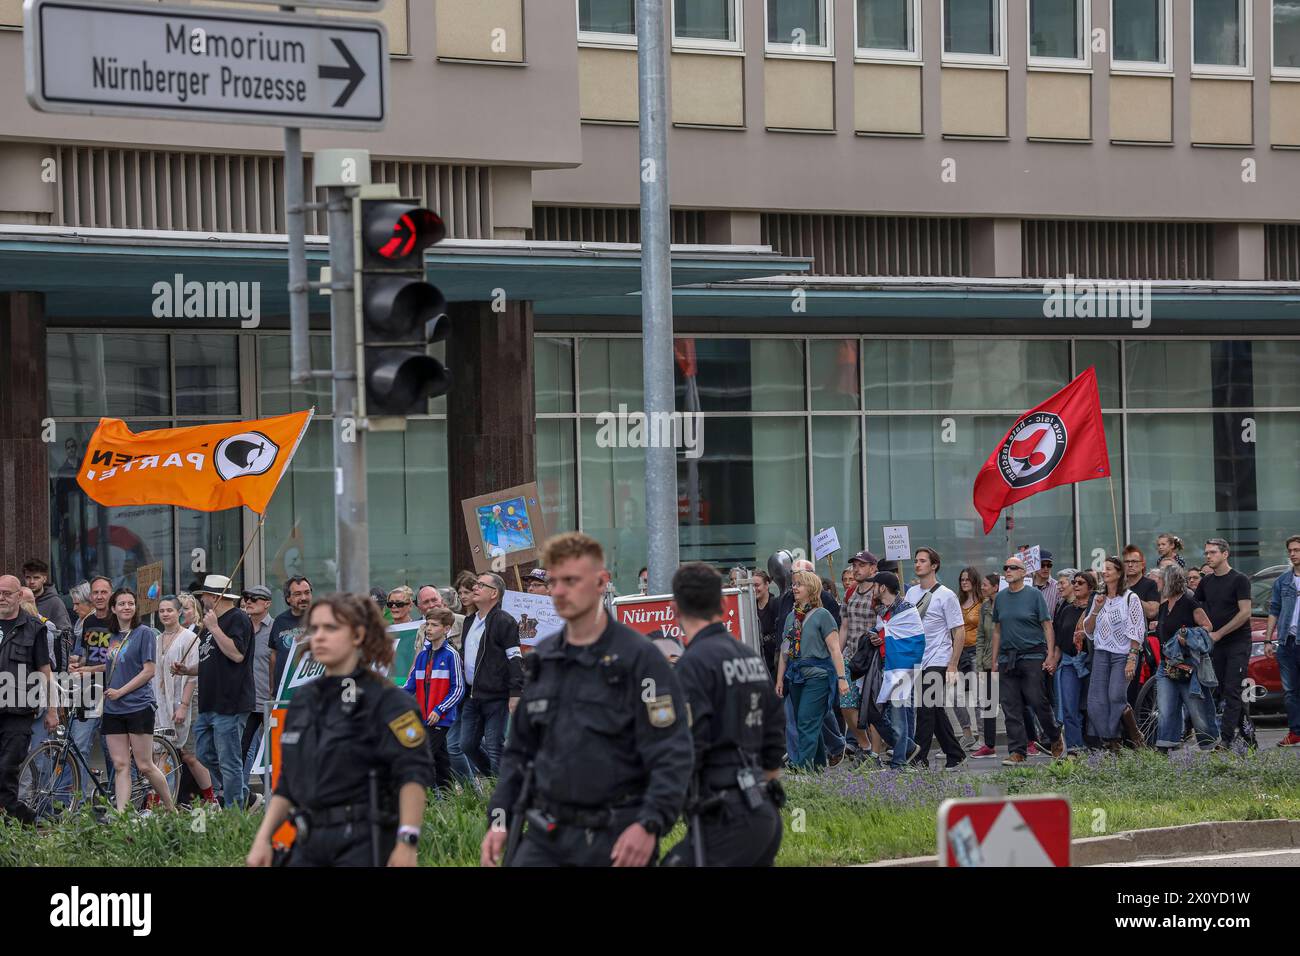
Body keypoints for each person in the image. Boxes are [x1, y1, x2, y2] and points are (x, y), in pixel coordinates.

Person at [480, 532, 693, 867]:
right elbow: (518, 754)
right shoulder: (543, 659)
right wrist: (498, 821)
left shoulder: (640, 659)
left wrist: (649, 824)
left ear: (601, 582)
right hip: (545, 835)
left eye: (571, 580)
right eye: (554, 581)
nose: (559, 591)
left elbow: (672, 751)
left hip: (615, 838)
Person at [247, 593, 433, 867]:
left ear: (357, 635)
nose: (319, 636)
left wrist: (407, 843)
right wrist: (263, 838)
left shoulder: (390, 702)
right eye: (316, 628)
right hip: (307, 840)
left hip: (365, 840)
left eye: (331, 628)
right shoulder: (303, 699)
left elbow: (413, 776)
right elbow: (288, 781)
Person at [661, 563, 784, 867]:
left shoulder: (693, 665)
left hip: (724, 814)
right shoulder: (749, 657)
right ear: (723, 603)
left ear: (675, 609)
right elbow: (775, 734)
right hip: (763, 810)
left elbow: (689, 747)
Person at [184, 574, 254, 809]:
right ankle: (245, 797)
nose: (202, 599)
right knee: (203, 753)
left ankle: (235, 813)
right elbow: (210, 662)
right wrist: (187, 669)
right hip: (208, 703)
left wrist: (214, 628)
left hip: (230, 703)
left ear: (214, 597)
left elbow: (236, 654)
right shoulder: (209, 624)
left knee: (229, 761)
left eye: (204, 595)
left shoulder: (238, 618)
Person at [101, 588, 174, 813]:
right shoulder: (112, 636)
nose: (126, 607)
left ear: (135, 607)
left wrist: (120, 691)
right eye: (121, 604)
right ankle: (122, 815)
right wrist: (85, 668)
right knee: (121, 764)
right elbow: (117, 665)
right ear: (113, 608)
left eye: (130, 603)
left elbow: (148, 671)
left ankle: (171, 809)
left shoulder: (144, 633)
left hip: (138, 705)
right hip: (113, 708)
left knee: (144, 765)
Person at [992, 556, 1065, 765]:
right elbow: (997, 630)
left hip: (1032, 654)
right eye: (1006, 567)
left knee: (1036, 700)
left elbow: (1047, 626)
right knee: (1010, 705)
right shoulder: (1001, 597)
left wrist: (1050, 655)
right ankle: (1017, 751)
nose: (1008, 570)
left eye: (1013, 567)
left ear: (1024, 573)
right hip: (1008, 657)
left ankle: (1054, 736)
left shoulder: (1034, 595)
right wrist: (995, 659)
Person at [775, 570, 848, 770]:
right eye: (794, 584)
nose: (794, 588)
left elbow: (835, 649)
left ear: (812, 588)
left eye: (799, 584)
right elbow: (784, 651)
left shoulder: (823, 615)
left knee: (807, 721)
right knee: (803, 722)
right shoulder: (791, 617)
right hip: (795, 676)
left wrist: (841, 678)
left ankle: (802, 766)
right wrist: (780, 679)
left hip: (818, 676)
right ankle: (816, 766)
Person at [0, 575, 58, 823]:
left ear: (19, 596)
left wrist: (53, 709)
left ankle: (25, 821)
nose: (2, 598)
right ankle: (18, 823)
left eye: (7, 593)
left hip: (18, 712)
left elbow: (46, 672)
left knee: (6, 772)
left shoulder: (34, 628)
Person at [905, 548, 966, 770]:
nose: (917, 564)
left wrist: (952, 664)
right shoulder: (910, 594)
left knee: (925, 708)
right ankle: (955, 754)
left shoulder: (946, 595)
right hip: (918, 660)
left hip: (939, 659)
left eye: (923, 561)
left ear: (934, 566)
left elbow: (959, 631)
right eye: (916, 561)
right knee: (935, 710)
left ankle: (918, 758)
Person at [459, 571, 523, 776]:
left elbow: (515, 659)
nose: (474, 588)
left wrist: (515, 693)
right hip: (472, 695)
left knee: (495, 745)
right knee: (467, 745)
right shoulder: (470, 621)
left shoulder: (505, 621)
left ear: (494, 593)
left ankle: (502, 792)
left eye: (480, 585)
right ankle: (496, 779)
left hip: (496, 696)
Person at [152, 595, 214, 805]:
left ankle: (211, 799)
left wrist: (183, 706)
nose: (165, 614)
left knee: (189, 755)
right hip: (162, 704)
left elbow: (192, 676)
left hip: (186, 702)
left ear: (179, 612)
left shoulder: (189, 638)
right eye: (162, 611)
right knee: (160, 753)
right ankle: (157, 804)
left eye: (170, 610)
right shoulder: (157, 639)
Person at [1194, 538, 1255, 751]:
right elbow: (1196, 607)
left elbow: (1245, 612)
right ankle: (1250, 737)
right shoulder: (1206, 582)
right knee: (1222, 690)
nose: (1208, 556)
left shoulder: (1239, 580)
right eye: (1206, 553)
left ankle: (1227, 740)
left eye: (1212, 552)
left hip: (1237, 642)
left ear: (1225, 554)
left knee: (1232, 689)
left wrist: (1219, 633)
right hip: (1215, 643)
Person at [1083, 556, 1147, 752]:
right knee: (1095, 701)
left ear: (1119, 573)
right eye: (1104, 568)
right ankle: (1112, 741)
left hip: (1123, 654)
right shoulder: (1098, 597)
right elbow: (1089, 630)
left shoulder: (1130, 597)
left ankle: (1135, 735)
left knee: (1116, 696)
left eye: (1109, 569)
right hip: (1101, 653)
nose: (1105, 572)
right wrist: (1096, 609)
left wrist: (1132, 658)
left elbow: (1137, 629)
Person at [1153, 564, 1220, 753]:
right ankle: (1165, 745)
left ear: (1169, 581)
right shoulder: (1163, 606)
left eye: (1159, 579)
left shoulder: (1189, 602)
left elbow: (1207, 626)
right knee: (1166, 707)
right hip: (1167, 664)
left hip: (1188, 663)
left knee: (1197, 709)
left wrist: (1188, 636)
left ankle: (1210, 744)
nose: (1156, 582)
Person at [867, 572, 924, 770]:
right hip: (884, 665)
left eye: (874, 585)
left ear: (882, 587)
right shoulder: (881, 611)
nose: (872, 589)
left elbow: (916, 641)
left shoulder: (907, 610)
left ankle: (899, 762)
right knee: (874, 712)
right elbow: (887, 633)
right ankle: (907, 746)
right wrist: (877, 637)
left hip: (902, 668)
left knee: (899, 716)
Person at [404, 607, 464, 792]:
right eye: (427, 624)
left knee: (423, 756)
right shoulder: (422, 656)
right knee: (441, 759)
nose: (429, 628)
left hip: (440, 717)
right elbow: (409, 686)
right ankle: (448, 797)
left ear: (446, 629)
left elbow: (459, 688)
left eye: (434, 625)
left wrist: (439, 710)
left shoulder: (451, 655)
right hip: (422, 716)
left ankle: (428, 799)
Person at [66, 575, 115, 798]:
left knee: (112, 750)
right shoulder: (88, 621)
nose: (99, 596)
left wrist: (86, 669)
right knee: (78, 744)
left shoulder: (119, 620)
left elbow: (118, 661)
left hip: (114, 691)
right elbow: (82, 654)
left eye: (104, 592)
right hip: (88, 690)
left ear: (111, 594)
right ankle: (81, 802)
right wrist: (75, 662)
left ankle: (118, 799)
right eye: (96, 592)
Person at [841, 551, 880, 757]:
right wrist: (837, 655)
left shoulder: (879, 591)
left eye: (861, 565)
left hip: (871, 658)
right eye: (854, 565)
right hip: (850, 656)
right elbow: (844, 626)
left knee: (870, 708)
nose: (856, 569)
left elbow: (887, 622)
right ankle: (864, 745)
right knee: (846, 704)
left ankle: (874, 754)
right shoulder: (850, 592)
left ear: (873, 568)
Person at [1264, 535, 1300, 747]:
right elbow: (1274, 610)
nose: (1293, 554)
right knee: (1290, 691)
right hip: (1287, 642)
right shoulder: (1283, 581)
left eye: (1297, 550)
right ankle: (1295, 732)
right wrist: (1268, 639)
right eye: (1291, 550)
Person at [1053, 571, 1095, 755]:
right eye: (1074, 582)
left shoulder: (1096, 610)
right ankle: (1075, 749)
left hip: (1090, 663)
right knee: (1069, 707)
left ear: (1090, 587)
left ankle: (1095, 745)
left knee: (1090, 708)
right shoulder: (1066, 609)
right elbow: (1058, 640)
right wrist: (1052, 661)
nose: (1076, 585)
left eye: (1080, 582)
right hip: (1069, 663)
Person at [240, 584, 274, 793]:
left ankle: (278, 797)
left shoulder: (276, 628)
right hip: (246, 703)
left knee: (272, 754)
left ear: (268, 603)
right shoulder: (241, 628)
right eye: (247, 598)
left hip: (270, 701)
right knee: (240, 752)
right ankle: (238, 801)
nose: (249, 601)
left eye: (255, 598)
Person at [970, 573, 1002, 758]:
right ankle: (989, 745)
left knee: (1013, 703)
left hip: (1005, 661)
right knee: (989, 703)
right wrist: (981, 665)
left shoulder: (1005, 604)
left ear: (996, 587)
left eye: (985, 585)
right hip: (989, 662)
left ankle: (1029, 741)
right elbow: (981, 636)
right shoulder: (984, 606)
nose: (982, 588)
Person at [269, 576, 312, 702]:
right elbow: (273, 656)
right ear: (288, 598)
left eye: (307, 593)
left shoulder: (320, 618)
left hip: (313, 695)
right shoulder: (279, 621)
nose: (303, 598)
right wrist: (272, 688)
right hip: (284, 694)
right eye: (297, 594)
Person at [954, 566, 983, 749]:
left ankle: (982, 737)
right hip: (958, 652)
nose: (964, 582)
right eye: (962, 580)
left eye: (967, 579)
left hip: (976, 651)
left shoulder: (983, 603)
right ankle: (967, 733)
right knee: (953, 695)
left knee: (979, 697)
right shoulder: (956, 602)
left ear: (974, 581)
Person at [22, 559, 71, 635]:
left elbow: (65, 633)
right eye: (28, 577)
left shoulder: (55, 602)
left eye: (36, 578)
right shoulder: (18, 600)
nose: (31, 581)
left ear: (44, 579)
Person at [753, 571, 780, 678]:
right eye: (751, 586)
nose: (754, 589)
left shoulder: (776, 604)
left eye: (757, 585)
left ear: (767, 584)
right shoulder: (750, 607)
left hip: (774, 664)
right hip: (758, 664)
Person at [1031, 550, 1061, 615]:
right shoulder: (1027, 584)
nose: (1046, 568)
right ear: (1034, 566)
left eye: (1049, 565)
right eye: (1042, 565)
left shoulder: (1057, 587)